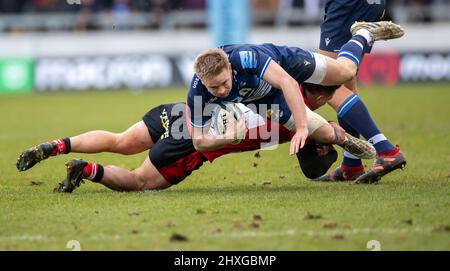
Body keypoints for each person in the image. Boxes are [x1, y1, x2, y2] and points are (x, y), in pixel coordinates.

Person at [16, 84, 372, 193]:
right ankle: (89, 169)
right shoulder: (294, 125)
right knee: (142, 183)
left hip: (186, 108)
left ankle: (59, 145)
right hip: (194, 140)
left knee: (121, 139)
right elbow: (334, 133)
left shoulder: (274, 88)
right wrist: (374, 148)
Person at [186, 20, 404, 161]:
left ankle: (363, 33)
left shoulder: (244, 58)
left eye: (225, 82)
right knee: (325, 134)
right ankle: (344, 139)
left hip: (288, 64)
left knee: (346, 72)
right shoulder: (197, 93)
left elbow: (287, 82)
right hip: (266, 101)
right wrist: (229, 136)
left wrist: (300, 127)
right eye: (214, 87)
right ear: (203, 81)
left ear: (229, 68)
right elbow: (199, 142)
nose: (222, 91)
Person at [316, 0, 407, 183]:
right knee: (345, 80)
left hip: (346, 4)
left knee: (326, 82)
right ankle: (351, 165)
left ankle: (386, 150)